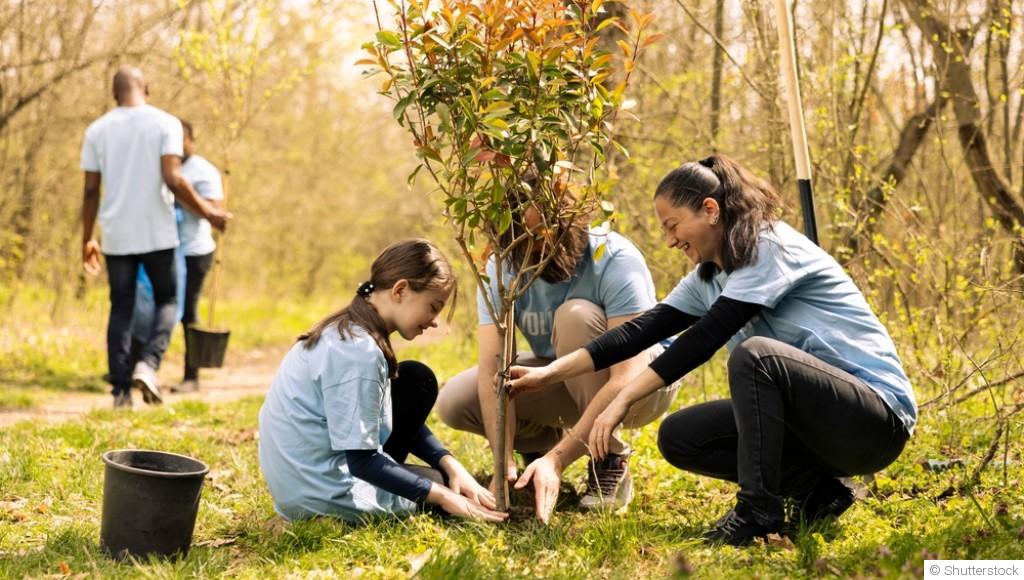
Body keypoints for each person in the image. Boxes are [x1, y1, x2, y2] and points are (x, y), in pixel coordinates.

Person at [506, 154, 917, 544]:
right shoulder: (712, 273)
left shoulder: (769, 246)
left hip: (874, 422)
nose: (669, 241)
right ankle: (818, 492)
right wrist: (551, 372)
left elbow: (704, 339)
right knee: (681, 437)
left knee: (756, 356)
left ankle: (758, 513)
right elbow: (644, 329)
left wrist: (622, 398)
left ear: (710, 210)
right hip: (818, 425)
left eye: (673, 225)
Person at [437, 179, 678, 519]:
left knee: (574, 318)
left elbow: (628, 373)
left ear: (571, 220)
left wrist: (559, 461)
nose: (538, 248)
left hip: (643, 384)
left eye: (547, 235)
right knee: (456, 401)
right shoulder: (503, 266)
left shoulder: (613, 257)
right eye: (528, 239)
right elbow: (494, 369)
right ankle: (537, 448)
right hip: (565, 378)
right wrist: (501, 462)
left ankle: (608, 458)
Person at [258, 239, 506, 524]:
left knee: (415, 380)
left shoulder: (348, 330)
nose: (435, 321)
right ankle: (326, 516)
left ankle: (431, 481)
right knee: (441, 493)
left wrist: (449, 463)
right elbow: (362, 461)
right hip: (318, 491)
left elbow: (378, 411)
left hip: (300, 482)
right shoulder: (359, 353)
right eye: (433, 307)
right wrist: (444, 496)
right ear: (400, 290)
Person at [80, 67, 230, 409]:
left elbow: (90, 191)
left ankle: (120, 393)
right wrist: (210, 213)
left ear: (113, 93)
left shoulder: (97, 130)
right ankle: (148, 364)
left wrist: (87, 239)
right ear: (147, 88)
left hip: (116, 235)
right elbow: (173, 177)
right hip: (157, 235)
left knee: (121, 308)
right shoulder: (166, 124)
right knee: (168, 301)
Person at [170, 119, 224, 393]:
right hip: (163, 248)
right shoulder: (163, 165)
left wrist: (181, 195)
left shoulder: (204, 171)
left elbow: (216, 212)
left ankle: (192, 376)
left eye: (180, 139)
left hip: (194, 250)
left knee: (188, 312)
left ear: (190, 139)